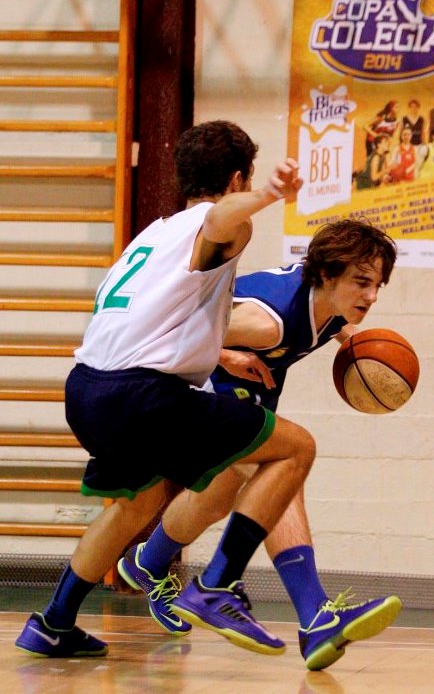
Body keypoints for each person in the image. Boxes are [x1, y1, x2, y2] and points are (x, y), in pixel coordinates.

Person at [15, 119, 317, 659]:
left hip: (86, 390)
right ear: (236, 178)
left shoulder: (153, 234)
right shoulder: (217, 223)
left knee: (137, 504)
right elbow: (221, 218)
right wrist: (269, 195)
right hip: (142, 396)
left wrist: (219, 353)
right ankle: (217, 586)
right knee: (294, 448)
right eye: (247, 180)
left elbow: (147, 319)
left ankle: (54, 622)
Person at [117, 217, 403, 672]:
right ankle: (316, 615)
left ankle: (148, 562)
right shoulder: (266, 323)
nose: (371, 296)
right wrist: (224, 353)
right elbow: (161, 330)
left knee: (220, 495)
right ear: (327, 275)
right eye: (362, 282)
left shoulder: (332, 306)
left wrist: (361, 349)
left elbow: (331, 326)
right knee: (281, 467)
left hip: (242, 388)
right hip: (187, 387)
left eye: (377, 285)